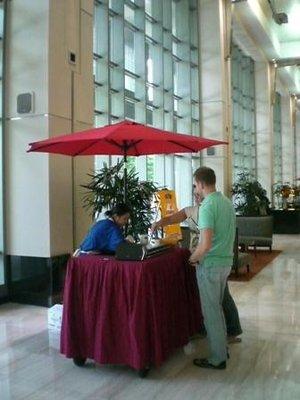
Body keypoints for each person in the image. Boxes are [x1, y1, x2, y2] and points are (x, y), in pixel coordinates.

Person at [151, 189, 242, 344]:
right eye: (195, 194)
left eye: (199, 193)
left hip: (212, 259)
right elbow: (174, 218)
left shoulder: (214, 208)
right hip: (197, 257)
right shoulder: (191, 211)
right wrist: (159, 223)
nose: (197, 196)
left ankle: (231, 331)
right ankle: (204, 329)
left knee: (221, 296)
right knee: (204, 296)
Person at [189, 166, 236, 370]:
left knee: (211, 313)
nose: (195, 189)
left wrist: (193, 258)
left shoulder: (207, 206)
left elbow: (205, 244)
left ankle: (218, 358)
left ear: (200, 183)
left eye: (195, 185)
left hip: (210, 266)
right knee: (217, 308)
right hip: (225, 263)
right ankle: (221, 348)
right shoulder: (226, 202)